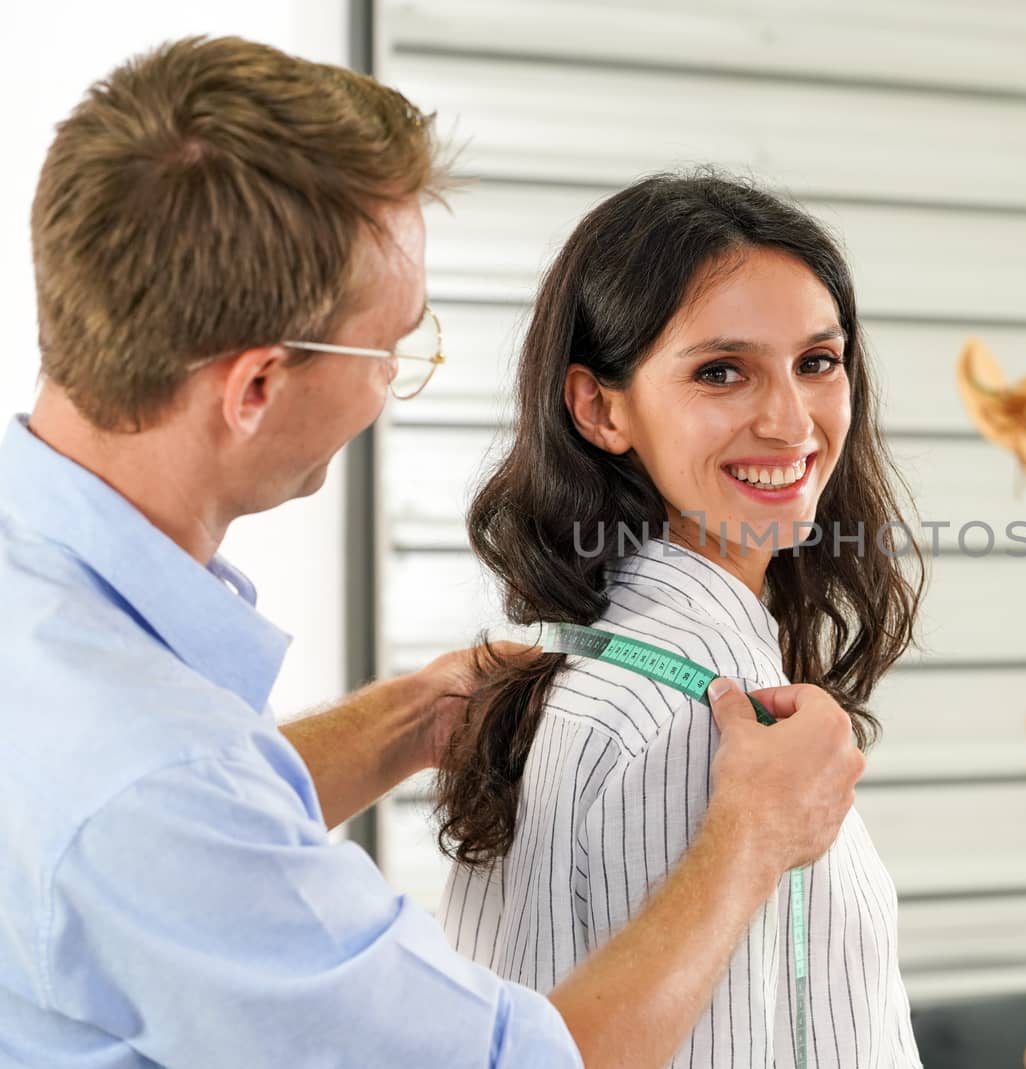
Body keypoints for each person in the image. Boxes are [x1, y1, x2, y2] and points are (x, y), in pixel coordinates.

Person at [0, 36, 866, 1069]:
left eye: (819, 361)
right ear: (257, 388)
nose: (788, 419)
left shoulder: (55, 632)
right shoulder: (150, 778)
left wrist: (409, 718)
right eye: (393, 349)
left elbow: (127, 858)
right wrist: (752, 840)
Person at [434, 171, 928, 1068]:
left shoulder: (581, 674)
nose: (791, 422)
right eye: (722, 372)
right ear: (600, 407)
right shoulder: (697, 725)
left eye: (818, 361)